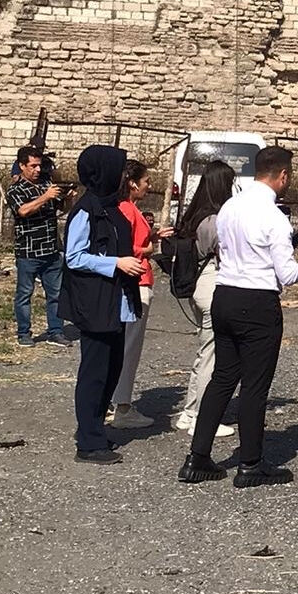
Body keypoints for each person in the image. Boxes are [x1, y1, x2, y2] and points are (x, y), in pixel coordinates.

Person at [180, 146, 298, 488]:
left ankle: (198, 456)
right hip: (257, 300)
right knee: (255, 385)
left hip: (225, 293)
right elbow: (287, 274)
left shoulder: (230, 206)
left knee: (223, 377)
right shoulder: (274, 216)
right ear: (282, 175)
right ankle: (251, 463)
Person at [59, 145, 142, 464]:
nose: (122, 177)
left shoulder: (110, 207)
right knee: (94, 372)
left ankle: (95, 428)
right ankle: (88, 442)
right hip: (95, 303)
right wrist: (115, 263)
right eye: (118, 170)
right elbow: (74, 257)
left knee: (112, 369)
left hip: (115, 302)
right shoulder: (86, 210)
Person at [172, 160, 238, 440]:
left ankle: (189, 411)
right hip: (212, 283)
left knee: (204, 351)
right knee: (213, 354)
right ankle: (203, 417)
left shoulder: (194, 216)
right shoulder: (215, 220)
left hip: (197, 285)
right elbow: (227, 253)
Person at [109, 160, 171, 430]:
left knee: (125, 345)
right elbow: (125, 246)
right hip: (137, 281)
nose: (149, 185)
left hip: (137, 280)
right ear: (133, 183)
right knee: (129, 347)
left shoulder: (128, 208)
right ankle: (122, 405)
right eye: (146, 181)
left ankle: (114, 401)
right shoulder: (126, 208)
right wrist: (147, 249)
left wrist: (152, 236)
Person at [5, 146, 71, 348]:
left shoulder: (46, 184)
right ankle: (24, 333)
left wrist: (67, 198)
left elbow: (60, 209)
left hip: (51, 250)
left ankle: (56, 331)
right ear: (22, 166)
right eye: (33, 166)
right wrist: (45, 197)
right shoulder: (15, 190)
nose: (37, 170)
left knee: (56, 294)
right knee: (25, 294)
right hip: (28, 251)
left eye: (39, 165)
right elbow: (23, 211)